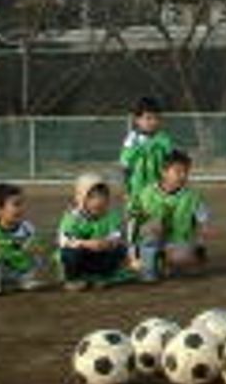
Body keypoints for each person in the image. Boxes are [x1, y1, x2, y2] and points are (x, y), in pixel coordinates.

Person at [127, 149, 209, 282]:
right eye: (177, 171)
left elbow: (202, 223)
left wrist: (199, 248)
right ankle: (147, 267)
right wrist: (132, 255)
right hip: (150, 240)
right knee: (154, 225)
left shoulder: (193, 197)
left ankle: (162, 261)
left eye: (186, 172)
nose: (182, 176)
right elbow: (132, 221)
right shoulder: (146, 193)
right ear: (164, 172)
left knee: (185, 258)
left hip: (176, 242)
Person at [57, 173, 130, 291]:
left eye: (102, 196)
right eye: (92, 197)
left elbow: (117, 235)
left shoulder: (111, 216)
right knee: (69, 253)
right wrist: (86, 244)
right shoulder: (72, 218)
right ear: (81, 198)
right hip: (82, 255)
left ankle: (101, 277)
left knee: (120, 249)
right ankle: (73, 279)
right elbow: (64, 240)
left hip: (101, 252)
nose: (98, 201)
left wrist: (106, 243)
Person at [120, 96, 174, 201]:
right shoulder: (132, 140)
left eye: (156, 118)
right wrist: (127, 190)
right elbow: (126, 168)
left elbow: (170, 164)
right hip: (138, 192)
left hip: (160, 192)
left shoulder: (164, 139)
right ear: (137, 120)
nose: (153, 122)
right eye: (148, 118)